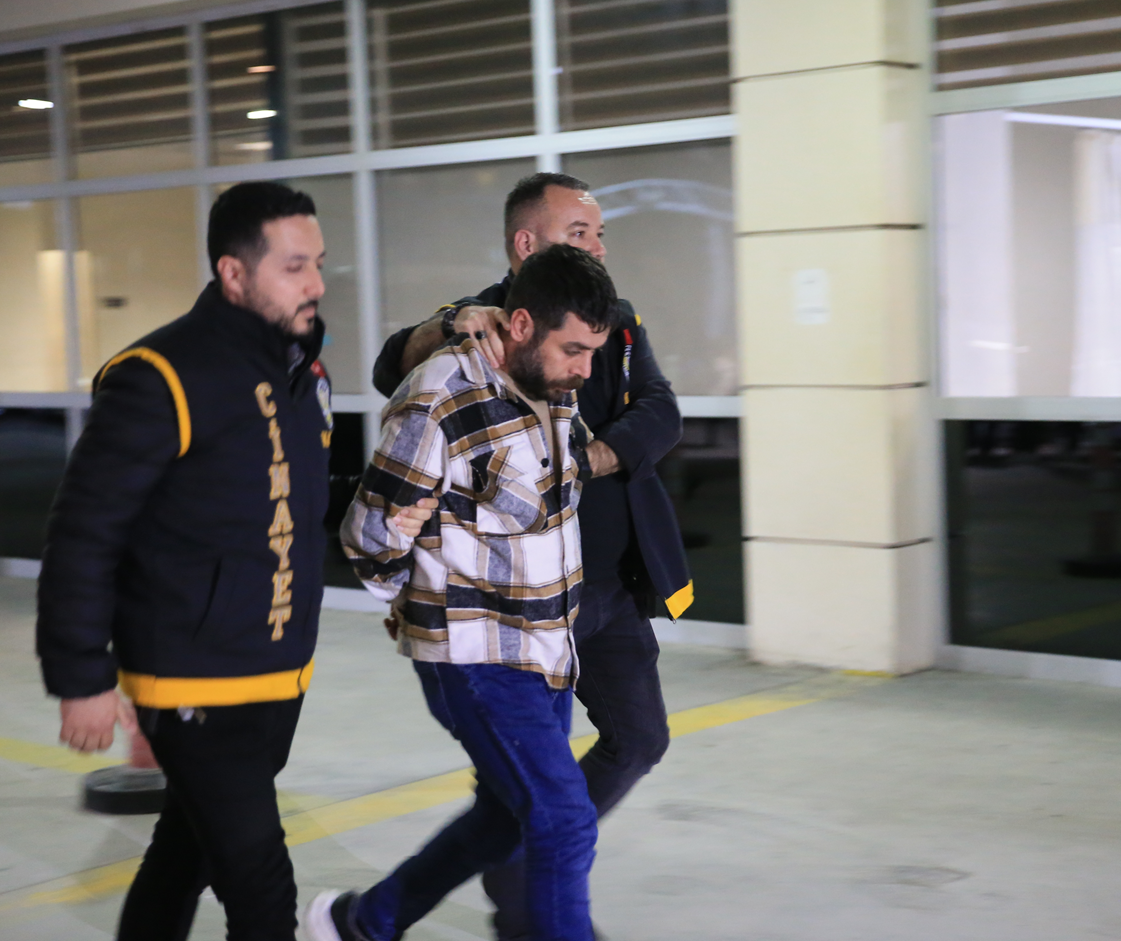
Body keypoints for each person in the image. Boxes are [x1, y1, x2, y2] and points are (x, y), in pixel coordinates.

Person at [38, 182, 428, 941]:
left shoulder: (301, 373)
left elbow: (285, 495)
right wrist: (81, 675)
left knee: (183, 853)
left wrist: (375, 506)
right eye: (294, 266)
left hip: (277, 666)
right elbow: (84, 531)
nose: (316, 283)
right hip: (193, 677)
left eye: (318, 263)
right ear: (234, 273)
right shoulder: (159, 374)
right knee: (260, 890)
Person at [370, 173, 691, 938]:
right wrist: (448, 323)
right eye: (581, 233)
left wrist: (592, 458)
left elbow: (661, 409)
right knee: (539, 809)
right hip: (507, 609)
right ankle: (518, 898)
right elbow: (391, 371)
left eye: (600, 234)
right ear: (525, 242)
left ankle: (380, 916)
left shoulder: (614, 319)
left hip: (600, 586)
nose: (599, 247)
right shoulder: (482, 331)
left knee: (633, 741)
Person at [309, 244, 620, 941]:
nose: (583, 368)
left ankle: (364, 923)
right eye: (573, 349)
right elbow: (368, 535)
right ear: (521, 325)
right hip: (477, 657)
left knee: (505, 816)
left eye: (592, 352)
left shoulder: (555, 391)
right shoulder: (439, 397)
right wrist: (408, 588)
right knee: (563, 821)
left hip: (547, 650)